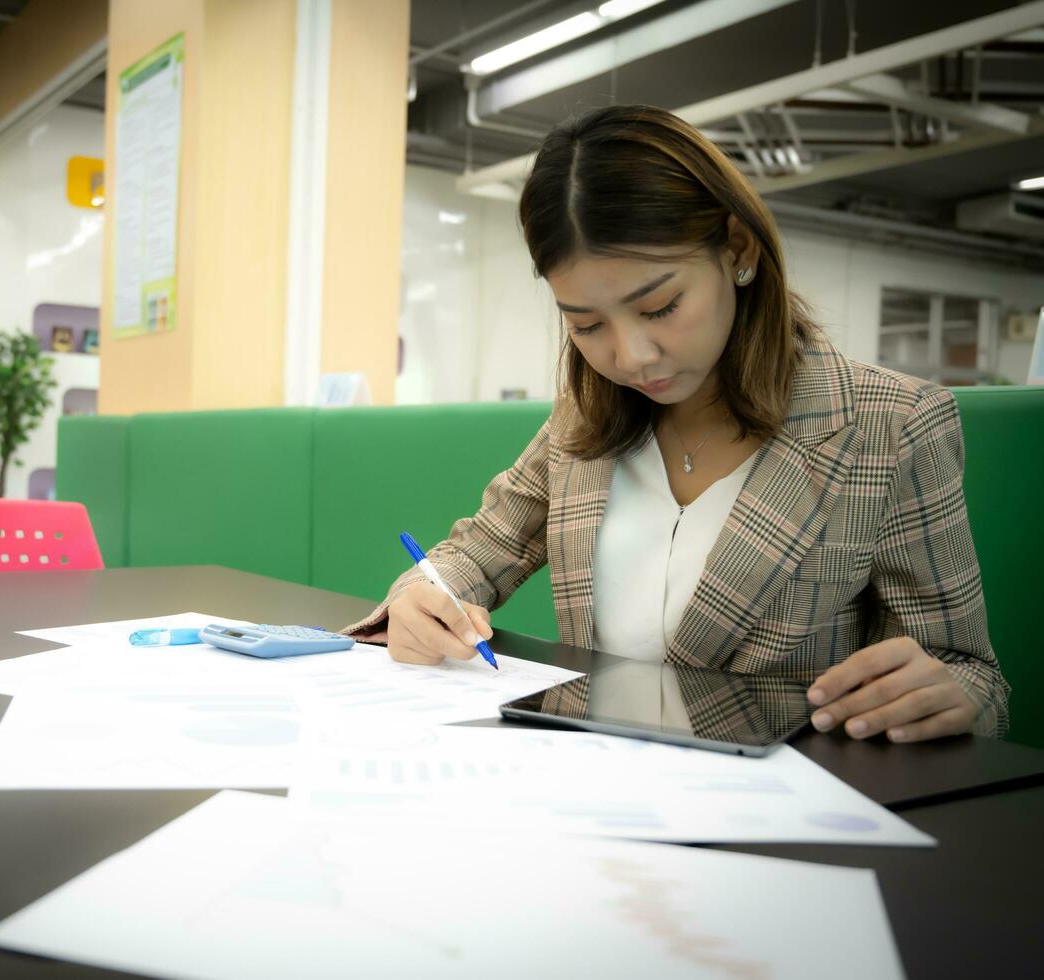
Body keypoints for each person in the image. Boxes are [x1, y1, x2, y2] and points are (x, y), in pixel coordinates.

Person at [344, 105, 1008, 742]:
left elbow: (972, 676)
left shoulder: (889, 427)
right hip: (596, 793)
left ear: (739, 250)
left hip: (777, 816)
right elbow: (470, 557)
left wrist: (950, 695)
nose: (629, 356)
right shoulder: (585, 420)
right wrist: (421, 596)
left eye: (660, 307)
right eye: (587, 324)